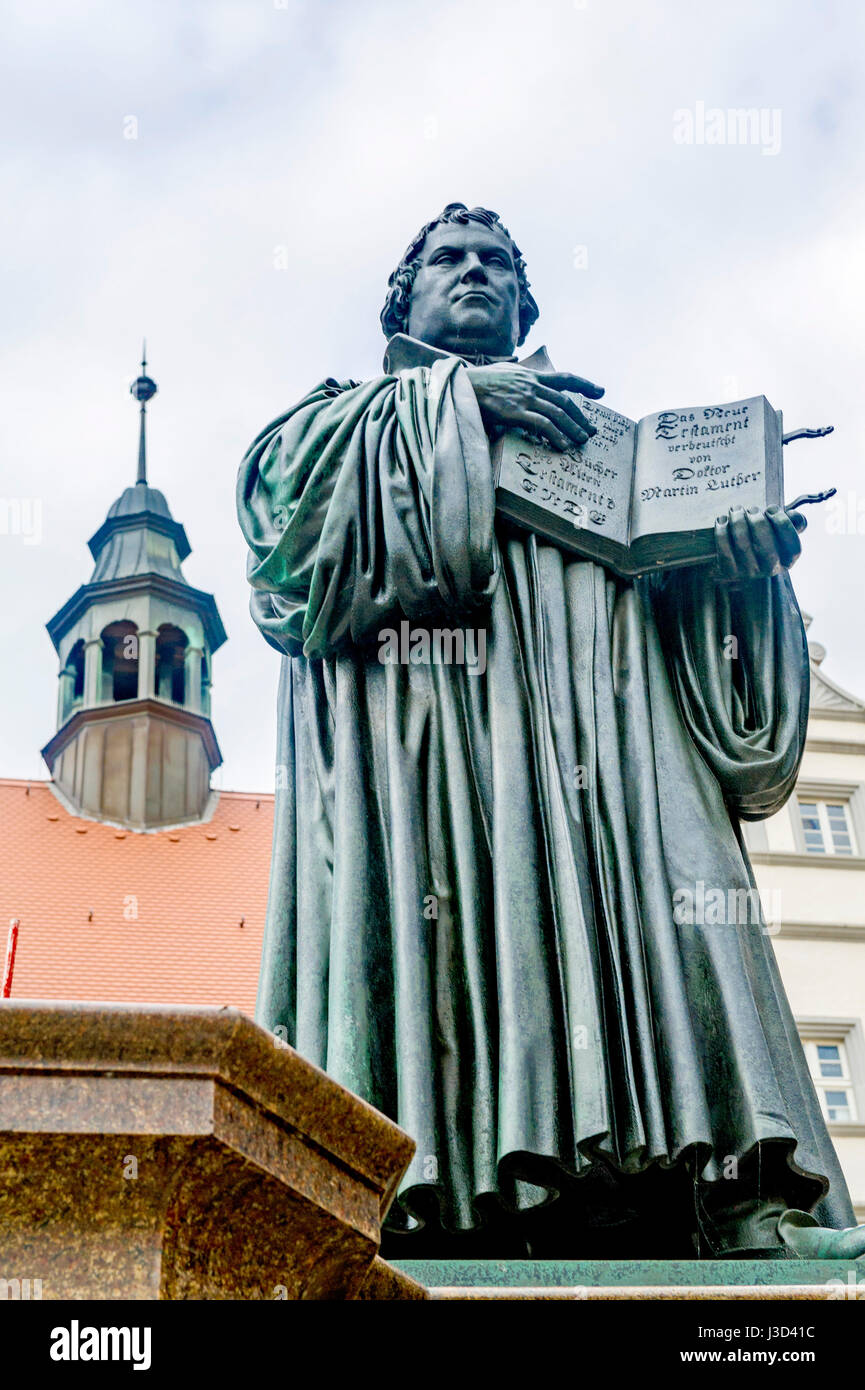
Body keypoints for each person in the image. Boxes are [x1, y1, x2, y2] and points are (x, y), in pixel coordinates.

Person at [237, 202, 858, 1258]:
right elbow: (284, 549)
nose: (475, 272)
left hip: (615, 738)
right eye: (450, 259)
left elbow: (716, 686)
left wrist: (740, 576)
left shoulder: (618, 450)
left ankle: (735, 1192)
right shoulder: (340, 416)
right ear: (405, 298)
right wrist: (462, 401)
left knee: (678, 893)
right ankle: (434, 1193)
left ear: (526, 299)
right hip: (431, 745)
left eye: (497, 263)